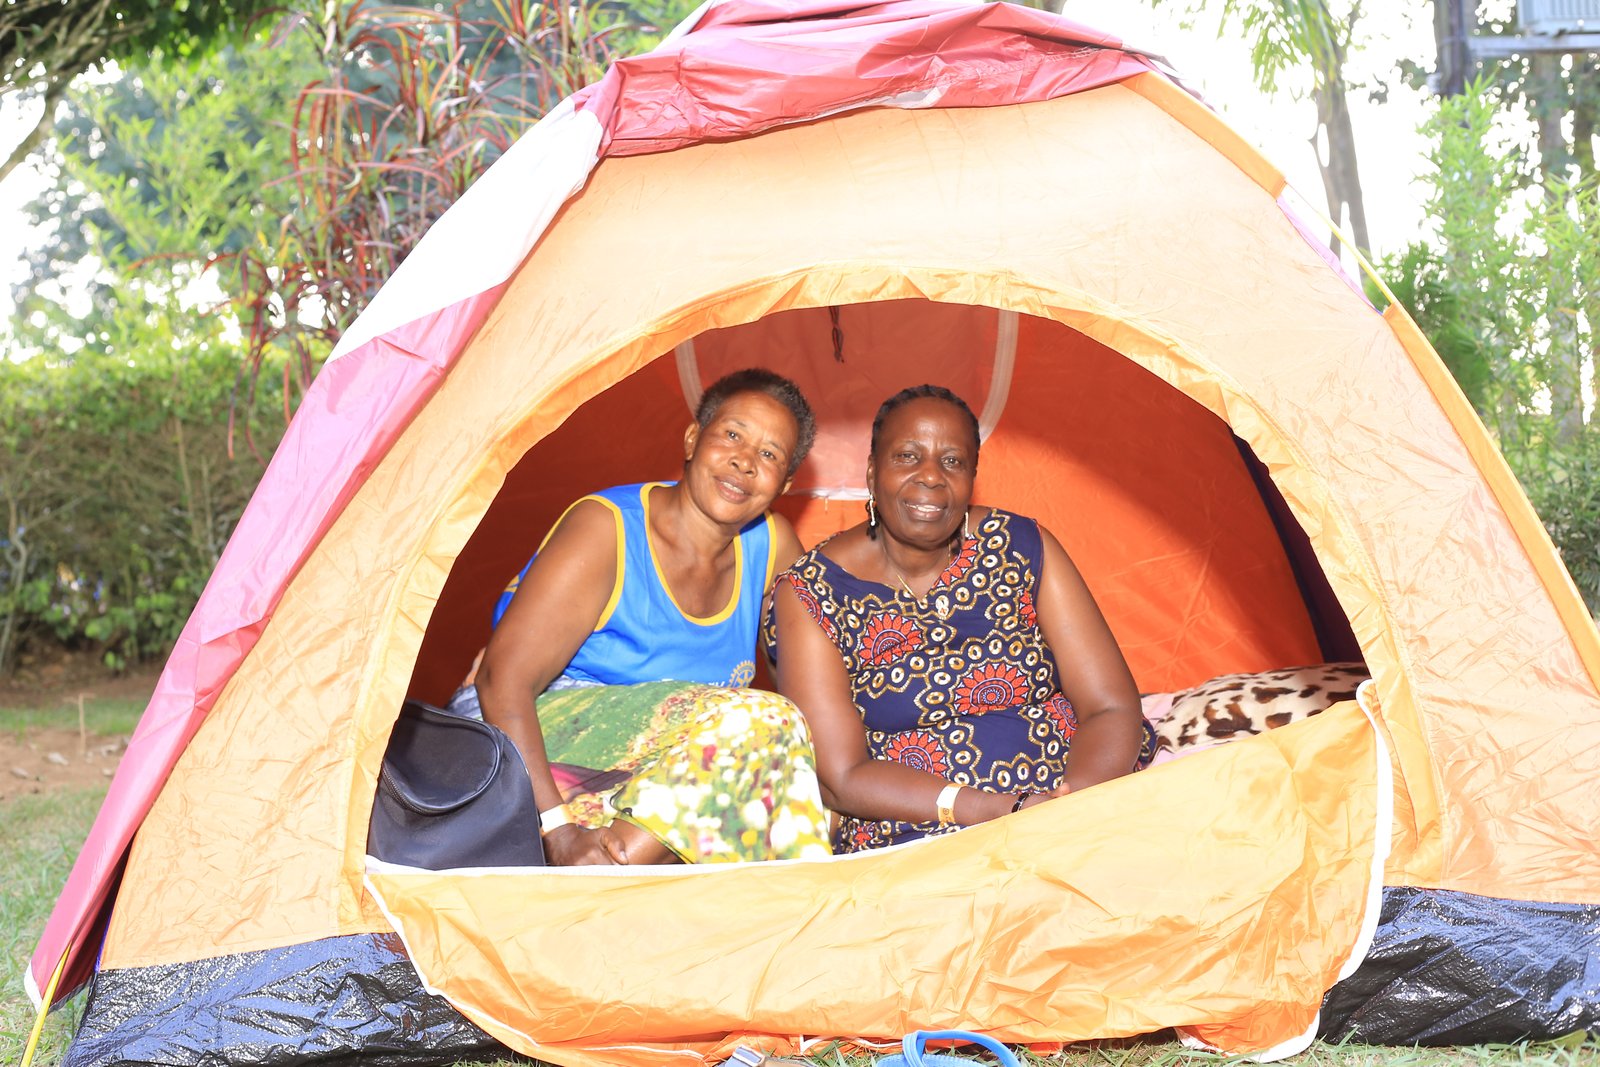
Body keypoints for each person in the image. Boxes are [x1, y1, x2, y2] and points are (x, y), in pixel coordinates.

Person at [460, 368, 831, 866]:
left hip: (650, 763)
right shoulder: (606, 530)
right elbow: (500, 680)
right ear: (694, 438)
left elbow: (812, 685)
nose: (744, 461)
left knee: (795, 780)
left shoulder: (773, 546)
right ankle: (594, 872)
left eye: (769, 455)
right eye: (732, 435)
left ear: (784, 482)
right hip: (521, 740)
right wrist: (557, 831)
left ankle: (632, 872)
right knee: (761, 721)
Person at [769, 384, 1156, 853]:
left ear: (973, 476)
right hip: (919, 828)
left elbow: (1110, 706)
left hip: (1075, 793)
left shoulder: (1019, 545)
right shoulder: (811, 592)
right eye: (907, 456)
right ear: (872, 474)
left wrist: (1069, 808)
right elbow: (842, 776)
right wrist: (1000, 811)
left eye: (952, 461)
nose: (931, 477)